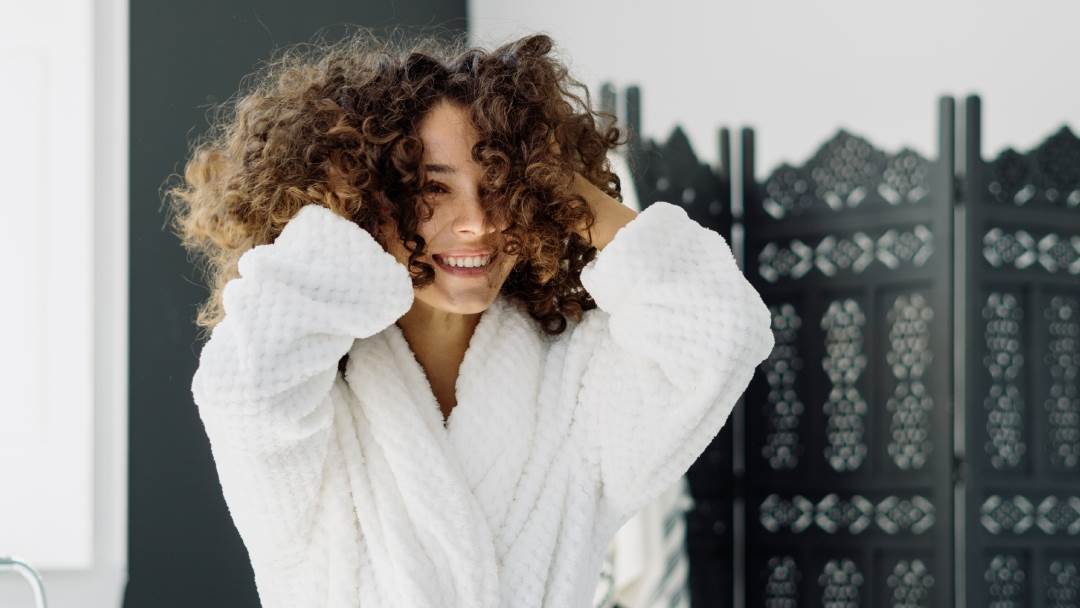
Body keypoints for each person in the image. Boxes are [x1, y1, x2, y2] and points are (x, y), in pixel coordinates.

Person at [167, 27, 775, 608]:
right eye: (433, 189)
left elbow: (719, 333)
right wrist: (355, 210)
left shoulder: (573, 385)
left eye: (502, 185)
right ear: (368, 199)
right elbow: (245, 388)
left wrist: (567, 188)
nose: (478, 223)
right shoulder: (311, 391)